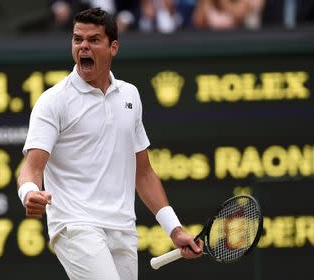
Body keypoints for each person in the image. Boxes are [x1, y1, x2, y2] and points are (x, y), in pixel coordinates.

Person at [17, 7, 203, 280]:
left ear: (113, 47)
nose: (83, 46)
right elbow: (31, 168)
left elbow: (144, 172)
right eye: (77, 39)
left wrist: (174, 229)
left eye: (93, 40)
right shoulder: (53, 101)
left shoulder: (130, 95)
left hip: (123, 229)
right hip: (76, 226)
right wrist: (29, 192)